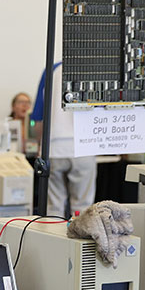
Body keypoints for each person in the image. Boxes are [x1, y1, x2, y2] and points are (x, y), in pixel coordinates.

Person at [30, 62, 96, 217]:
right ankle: (80, 239)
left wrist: (40, 145)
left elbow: (38, 118)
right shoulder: (93, 69)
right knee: (83, 206)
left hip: (54, 147)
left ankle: (53, 238)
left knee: (53, 206)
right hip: (84, 148)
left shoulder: (51, 70)